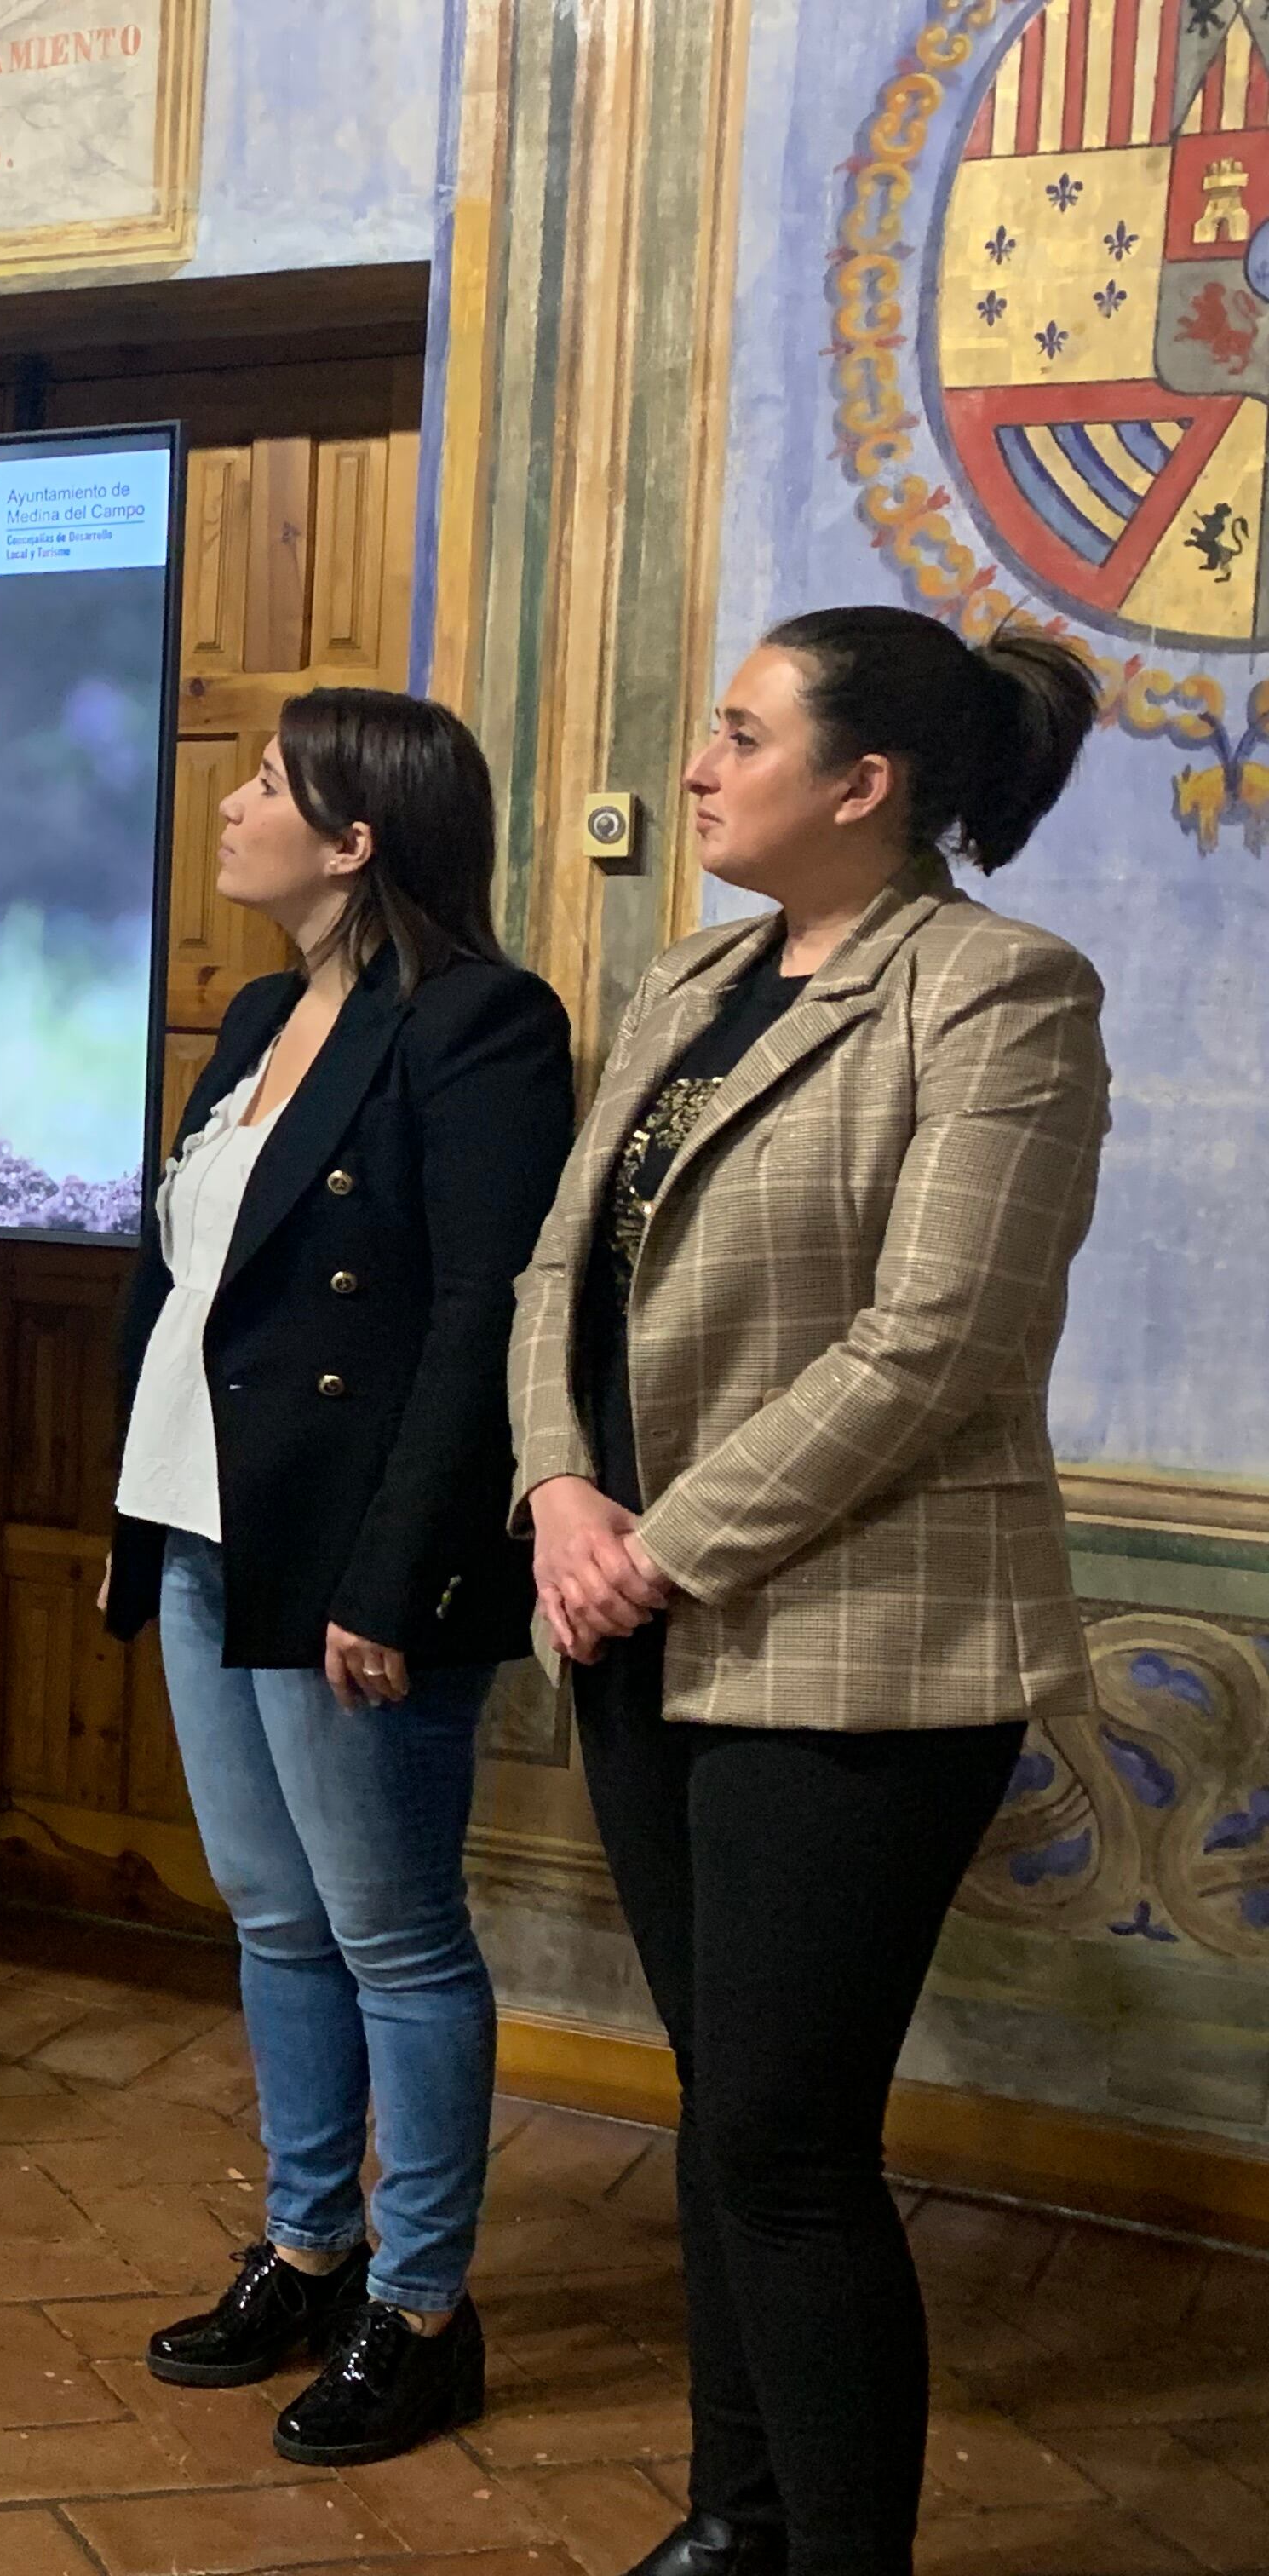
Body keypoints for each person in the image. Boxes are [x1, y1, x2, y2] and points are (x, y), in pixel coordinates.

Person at [511, 607, 1105, 2576]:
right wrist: (558, 1487)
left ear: (866, 787)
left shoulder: (1002, 993)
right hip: (634, 1621)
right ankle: (735, 2521)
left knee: (785, 2147)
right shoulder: (693, 975)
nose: (700, 764)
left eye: (742, 733)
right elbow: (554, 1276)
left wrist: (660, 1544)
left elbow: (939, 1341)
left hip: (858, 1653)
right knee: (724, 2117)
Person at [105, 690, 573, 2465]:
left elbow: (478, 1319)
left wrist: (390, 1578)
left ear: (357, 836)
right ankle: (313, 2246)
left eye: (268, 787)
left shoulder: (479, 1026)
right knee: (277, 1915)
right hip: (208, 1534)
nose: (228, 809)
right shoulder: (254, 1014)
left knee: (394, 1935)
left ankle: (423, 2307)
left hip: (345, 1560)